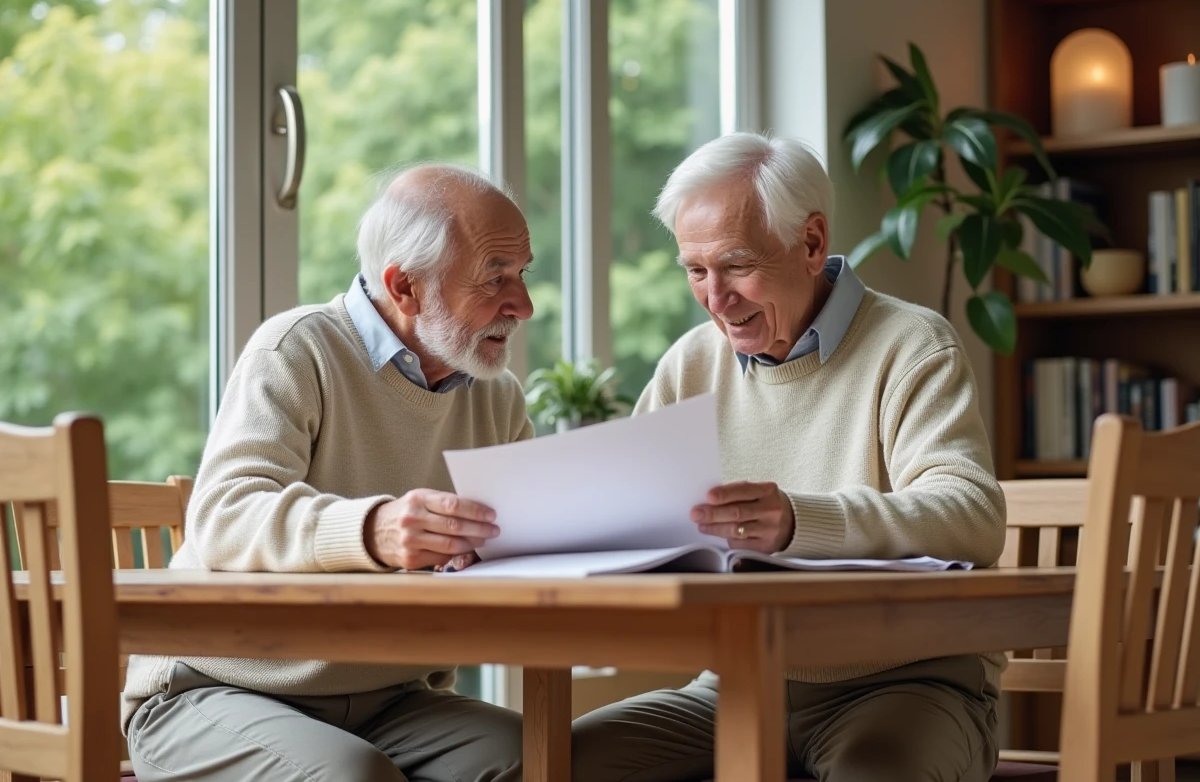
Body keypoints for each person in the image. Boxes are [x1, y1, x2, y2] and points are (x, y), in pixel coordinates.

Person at [571, 133, 1007, 782]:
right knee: (553, 763)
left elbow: (971, 515)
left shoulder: (912, 345)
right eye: (696, 271)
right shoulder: (691, 363)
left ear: (811, 243)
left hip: (909, 682)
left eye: (736, 264)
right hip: (736, 684)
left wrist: (800, 521)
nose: (716, 298)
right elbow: (625, 513)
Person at [123, 163, 535, 782]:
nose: (523, 305)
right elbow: (223, 516)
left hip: (392, 699)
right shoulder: (297, 349)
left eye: (523, 274)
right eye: (495, 277)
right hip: (214, 688)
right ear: (405, 286)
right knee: (353, 776)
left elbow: (528, 541)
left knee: (541, 758)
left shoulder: (496, 397)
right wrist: (373, 530)